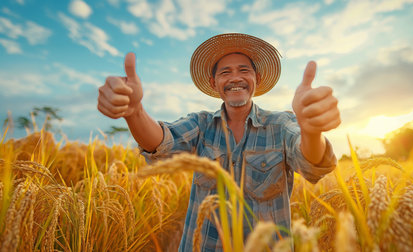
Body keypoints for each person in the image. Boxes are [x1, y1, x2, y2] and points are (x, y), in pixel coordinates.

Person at [98, 33, 340, 251]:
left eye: (244, 70)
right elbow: (162, 143)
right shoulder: (201, 125)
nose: (235, 78)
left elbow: (313, 164)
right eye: (225, 72)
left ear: (257, 78)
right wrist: (134, 111)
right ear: (214, 84)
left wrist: (311, 132)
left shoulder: (280, 124)